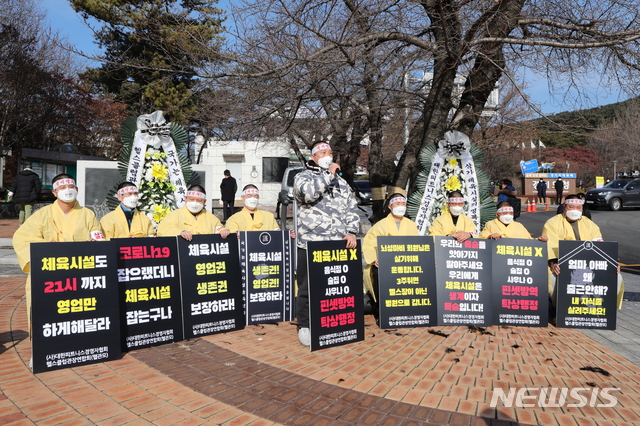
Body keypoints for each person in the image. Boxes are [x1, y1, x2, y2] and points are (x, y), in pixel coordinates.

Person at [13, 173, 105, 338]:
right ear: (54, 193)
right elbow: (22, 237)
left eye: (70, 187)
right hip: (50, 275)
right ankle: (43, 346)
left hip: (79, 274)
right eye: (62, 188)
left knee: (79, 311)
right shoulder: (42, 214)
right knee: (46, 312)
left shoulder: (88, 214)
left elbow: (100, 238)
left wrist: (95, 244)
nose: (67, 191)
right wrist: (46, 248)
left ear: (77, 189)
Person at [294, 141, 360, 346]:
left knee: (334, 286)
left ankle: (331, 322)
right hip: (311, 243)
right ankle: (304, 325)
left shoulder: (341, 182)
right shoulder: (303, 176)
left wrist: (351, 232)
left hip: (337, 245)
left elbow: (352, 207)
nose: (328, 155)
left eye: (330, 152)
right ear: (313, 157)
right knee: (306, 287)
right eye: (323, 152)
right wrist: (328, 175)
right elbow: (306, 195)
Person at [542, 194, 624, 309]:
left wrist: (611, 264)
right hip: (561, 265)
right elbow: (550, 245)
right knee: (554, 280)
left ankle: (605, 310)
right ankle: (560, 311)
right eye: (571, 207)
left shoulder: (589, 224)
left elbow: (600, 245)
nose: (575, 210)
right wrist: (554, 263)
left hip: (588, 265)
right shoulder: (552, 223)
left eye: (578, 207)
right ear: (565, 207)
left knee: (617, 277)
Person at [362, 194, 419, 322]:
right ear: (390, 206)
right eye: (397, 204)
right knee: (377, 272)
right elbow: (369, 244)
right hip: (385, 263)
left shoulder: (411, 225)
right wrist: (375, 259)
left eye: (403, 204)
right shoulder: (380, 225)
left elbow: (417, 245)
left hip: (406, 263)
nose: (401, 207)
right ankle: (381, 312)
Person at [157, 185, 230, 239]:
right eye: (191, 199)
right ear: (185, 198)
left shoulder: (211, 218)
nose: (195, 203)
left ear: (204, 201)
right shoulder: (174, 215)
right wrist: (180, 232)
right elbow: (164, 229)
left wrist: (223, 231)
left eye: (199, 200)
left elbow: (219, 228)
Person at [224, 184, 296, 238]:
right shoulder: (233, 219)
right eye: (249, 196)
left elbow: (277, 235)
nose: (253, 198)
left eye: (256, 196)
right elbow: (232, 237)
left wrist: (287, 235)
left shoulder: (269, 216)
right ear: (243, 198)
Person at [479, 202, 547, 241]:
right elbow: (482, 238)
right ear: (497, 214)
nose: (508, 215)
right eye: (505, 213)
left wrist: (539, 240)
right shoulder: (490, 224)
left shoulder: (519, 225)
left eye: (511, 213)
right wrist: (490, 236)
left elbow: (529, 240)